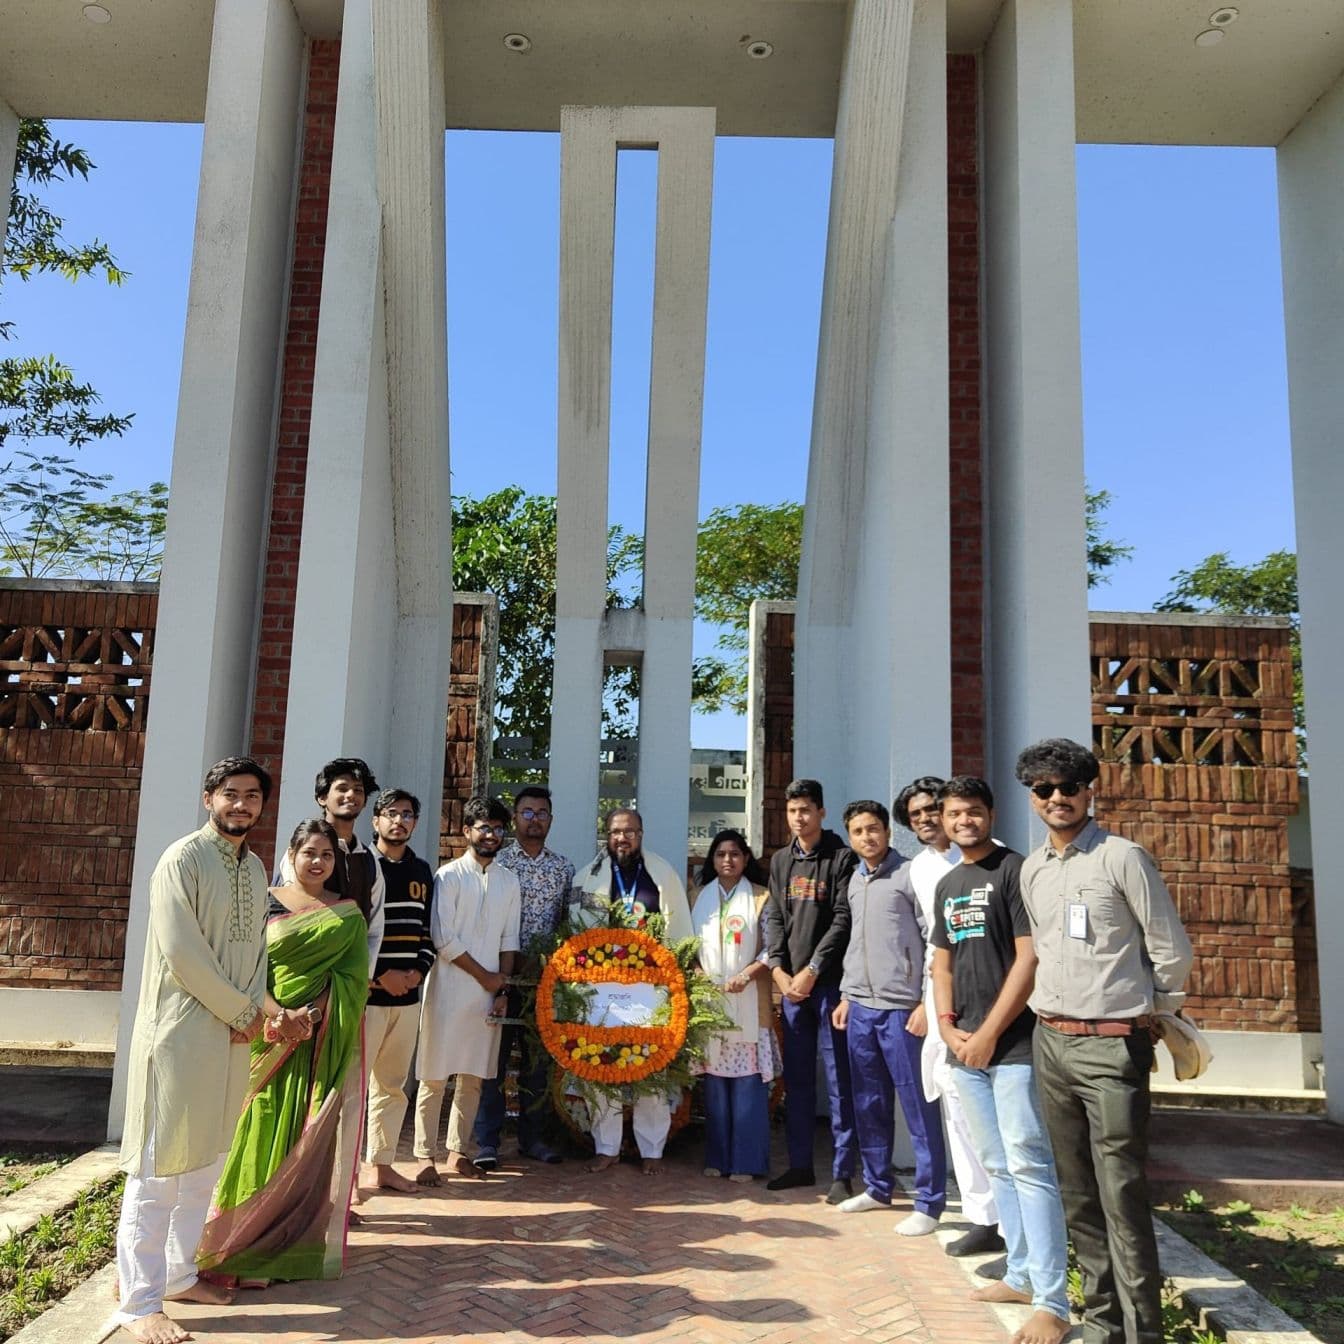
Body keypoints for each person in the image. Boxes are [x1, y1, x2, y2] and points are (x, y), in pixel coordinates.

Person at [114, 757, 307, 1344]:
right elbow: (183, 953)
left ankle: (178, 1275)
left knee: (203, 1164)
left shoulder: (253, 871)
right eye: (231, 794)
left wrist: (266, 1015)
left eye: (252, 796)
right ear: (208, 799)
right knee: (157, 1168)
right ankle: (138, 1301)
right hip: (177, 1037)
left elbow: (251, 961)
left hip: (231, 1036)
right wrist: (246, 1013)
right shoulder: (181, 860)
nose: (241, 805)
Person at [1016, 738, 1194, 1344]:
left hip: (1113, 1046)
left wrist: (1159, 1012)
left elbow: (1170, 948)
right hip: (1052, 1042)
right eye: (1044, 789)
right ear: (1032, 798)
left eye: (1069, 787)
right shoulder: (1031, 869)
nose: (1057, 798)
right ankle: (1101, 1322)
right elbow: (1039, 950)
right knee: (1077, 1192)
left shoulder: (1123, 858)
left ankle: (1144, 1333)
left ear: (1091, 790)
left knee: (1120, 1190)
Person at [195, 818, 371, 1283]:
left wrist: (313, 1014)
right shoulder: (265, 903)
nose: (318, 861)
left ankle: (282, 1247)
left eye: (327, 855)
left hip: (318, 1041)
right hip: (267, 1035)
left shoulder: (347, 913)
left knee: (304, 1138)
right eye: (309, 852)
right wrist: (278, 1016)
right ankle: (235, 1242)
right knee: (257, 1130)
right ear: (290, 856)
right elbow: (249, 972)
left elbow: (354, 981)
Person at [930, 777, 1070, 1344]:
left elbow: (1028, 958)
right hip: (964, 1047)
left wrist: (987, 1032)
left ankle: (1053, 1301)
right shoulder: (947, 883)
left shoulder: (1015, 870)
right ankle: (1019, 1273)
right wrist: (949, 1029)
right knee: (998, 1164)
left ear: (991, 814)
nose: (965, 821)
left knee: (1030, 1163)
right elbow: (940, 963)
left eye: (975, 812)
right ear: (944, 820)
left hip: (1012, 1044)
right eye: (955, 813)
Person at [894, 776, 1003, 1258]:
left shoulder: (994, 857)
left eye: (932, 810)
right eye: (915, 815)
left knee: (996, 1119)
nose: (926, 819)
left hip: (991, 999)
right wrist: (928, 1004)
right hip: (942, 1000)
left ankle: (1007, 1219)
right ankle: (981, 1215)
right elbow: (932, 942)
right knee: (955, 1108)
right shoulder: (920, 868)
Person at [830, 800, 946, 1235]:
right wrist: (846, 995)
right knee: (869, 1103)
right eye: (858, 831)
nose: (867, 837)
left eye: (874, 829)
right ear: (851, 837)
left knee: (918, 1106)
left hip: (903, 1010)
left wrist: (924, 1002)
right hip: (860, 1007)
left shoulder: (910, 874)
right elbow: (854, 945)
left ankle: (930, 1201)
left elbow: (935, 940)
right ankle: (878, 1186)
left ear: (887, 832)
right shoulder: (856, 879)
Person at [573, 808, 691, 1174]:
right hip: (601, 988)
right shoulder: (588, 877)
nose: (622, 839)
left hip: (649, 988)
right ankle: (606, 1147)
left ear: (641, 834)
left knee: (649, 1069)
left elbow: (678, 927)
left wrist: (676, 977)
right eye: (616, 832)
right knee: (600, 1066)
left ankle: (651, 1150)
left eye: (630, 832)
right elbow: (577, 931)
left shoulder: (660, 873)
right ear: (605, 834)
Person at [413, 796, 521, 1184]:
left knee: (473, 1078)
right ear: (467, 831)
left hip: (488, 995)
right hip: (447, 989)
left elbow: (511, 939)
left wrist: (502, 986)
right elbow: (443, 938)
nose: (491, 834)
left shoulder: (509, 881)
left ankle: (458, 1153)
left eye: (496, 828)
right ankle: (425, 1155)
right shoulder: (448, 876)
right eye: (483, 827)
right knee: (434, 1075)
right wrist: (486, 977)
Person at [762, 779, 858, 1201]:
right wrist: (780, 971)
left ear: (821, 812)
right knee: (797, 1081)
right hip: (793, 988)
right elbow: (776, 919)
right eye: (792, 810)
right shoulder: (781, 860)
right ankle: (799, 1165)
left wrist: (814, 969)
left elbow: (842, 919)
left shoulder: (841, 857)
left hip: (830, 986)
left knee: (839, 1080)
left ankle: (842, 1172)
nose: (799, 818)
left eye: (806, 810)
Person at [473, 785, 575, 1170]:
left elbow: (567, 922)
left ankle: (534, 1139)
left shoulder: (563, 868)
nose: (535, 819)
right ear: (515, 818)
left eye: (542, 813)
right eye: (527, 812)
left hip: (543, 981)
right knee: (493, 1062)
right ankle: (487, 1141)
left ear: (551, 819)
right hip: (499, 976)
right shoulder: (497, 864)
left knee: (537, 1064)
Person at [359, 788, 436, 1198]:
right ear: (376, 821)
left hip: (407, 1000)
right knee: (354, 1090)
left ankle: (382, 1166)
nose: (399, 821)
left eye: (407, 814)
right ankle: (345, 1176)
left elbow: (428, 932)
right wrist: (378, 977)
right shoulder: (359, 867)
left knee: (391, 1086)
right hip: (367, 998)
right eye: (391, 813)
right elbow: (351, 933)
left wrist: (416, 973)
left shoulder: (423, 871)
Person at [689, 829, 775, 1184]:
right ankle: (718, 1158)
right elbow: (686, 946)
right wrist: (697, 973)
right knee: (715, 1088)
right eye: (721, 854)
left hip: (748, 1001)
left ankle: (747, 1161)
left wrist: (748, 973)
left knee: (746, 1088)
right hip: (710, 1002)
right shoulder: (697, 897)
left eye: (735, 854)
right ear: (712, 859)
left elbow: (773, 947)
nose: (728, 860)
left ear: (746, 859)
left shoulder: (761, 898)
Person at [279, 757, 385, 975]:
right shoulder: (300, 853)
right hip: (304, 974)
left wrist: (361, 977)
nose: (351, 795)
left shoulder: (369, 860)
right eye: (342, 788)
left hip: (350, 982)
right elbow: (289, 916)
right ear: (322, 797)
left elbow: (374, 928)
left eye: (358, 790)